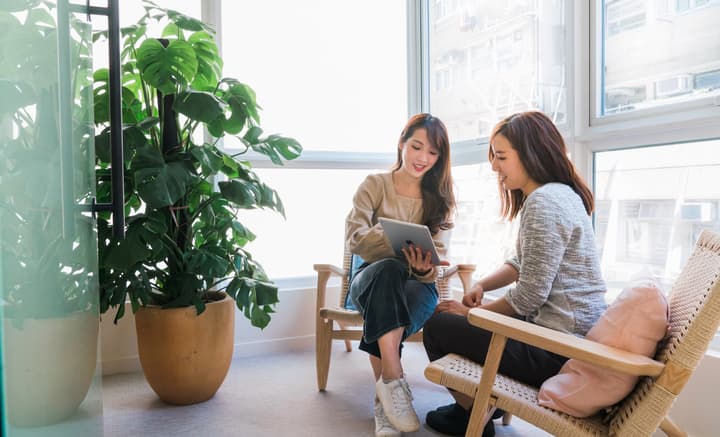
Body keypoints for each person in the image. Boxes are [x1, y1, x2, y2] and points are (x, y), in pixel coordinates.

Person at [422, 111, 607, 437]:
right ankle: (482, 405)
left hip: (554, 352)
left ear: (532, 154)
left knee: (438, 323)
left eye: (502, 156)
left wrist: (472, 316)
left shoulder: (544, 203)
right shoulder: (563, 195)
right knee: (464, 317)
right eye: (494, 156)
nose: (494, 166)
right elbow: (524, 264)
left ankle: (472, 415)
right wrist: (482, 284)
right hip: (566, 341)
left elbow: (529, 295)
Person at [345, 113, 456, 436]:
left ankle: (385, 401)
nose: (423, 158)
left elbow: (439, 259)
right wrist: (393, 238)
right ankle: (394, 377)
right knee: (390, 270)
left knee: (393, 300)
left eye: (433, 152)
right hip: (369, 278)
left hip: (420, 287)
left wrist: (424, 269)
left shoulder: (442, 200)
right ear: (401, 143)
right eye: (416, 146)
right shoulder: (374, 185)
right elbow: (356, 241)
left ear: (440, 158)